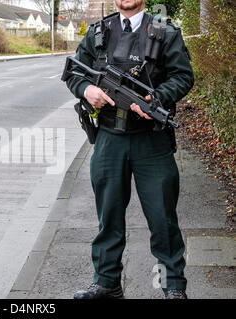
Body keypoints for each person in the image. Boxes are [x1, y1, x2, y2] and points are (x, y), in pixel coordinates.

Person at [65, 0, 194, 299]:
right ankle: (107, 282)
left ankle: (173, 286)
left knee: (163, 219)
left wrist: (157, 98)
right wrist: (87, 90)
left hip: (152, 140)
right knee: (108, 216)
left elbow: (183, 76)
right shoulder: (99, 31)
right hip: (109, 139)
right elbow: (74, 73)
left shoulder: (165, 31)